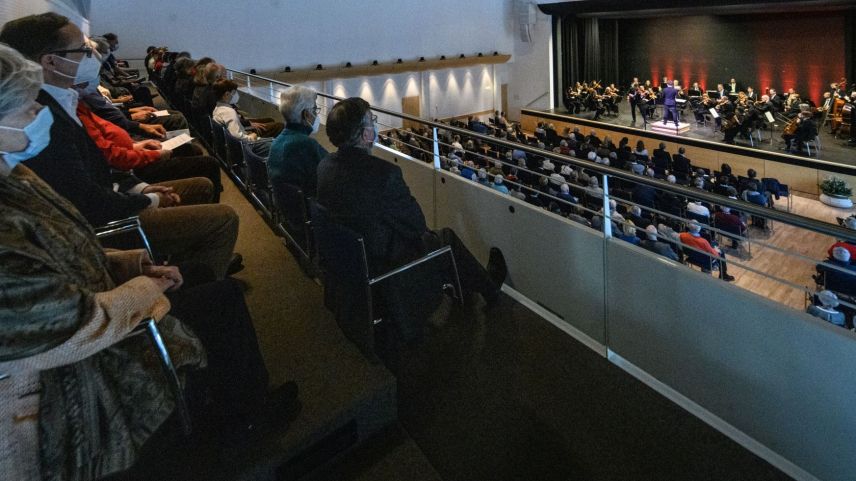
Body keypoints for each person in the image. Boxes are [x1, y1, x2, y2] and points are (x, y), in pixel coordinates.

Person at [0, 42, 299, 481]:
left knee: (200, 278)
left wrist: (128, 263)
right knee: (222, 297)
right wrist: (146, 287)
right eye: (26, 108)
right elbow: (66, 327)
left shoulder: (16, 178)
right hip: (77, 364)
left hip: (104, 277)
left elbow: (68, 241)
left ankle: (215, 388)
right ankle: (243, 416)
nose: (36, 114)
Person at [0, 12, 241, 279]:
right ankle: (191, 285)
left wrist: (142, 186)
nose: (91, 57)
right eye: (82, 50)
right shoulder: (43, 118)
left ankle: (192, 267)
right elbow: (88, 198)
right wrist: (148, 198)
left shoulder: (65, 100)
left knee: (201, 184)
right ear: (51, 61)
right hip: (109, 220)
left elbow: (98, 164)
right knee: (224, 218)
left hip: (119, 189)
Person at [316, 97, 508, 342]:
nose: (374, 126)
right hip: (386, 267)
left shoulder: (325, 167)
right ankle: (490, 291)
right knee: (443, 237)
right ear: (365, 135)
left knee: (433, 240)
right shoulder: (384, 175)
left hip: (350, 263)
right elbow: (417, 223)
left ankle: (472, 284)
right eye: (372, 121)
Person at [268, 85, 328, 198]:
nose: (316, 115)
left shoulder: (279, 139)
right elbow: (331, 174)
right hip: (309, 209)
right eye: (315, 110)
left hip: (288, 206)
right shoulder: (305, 145)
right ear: (306, 114)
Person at [211, 79, 274, 157]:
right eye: (234, 92)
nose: (236, 95)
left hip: (239, 146)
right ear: (226, 94)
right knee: (277, 146)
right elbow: (237, 136)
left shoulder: (217, 109)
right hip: (248, 146)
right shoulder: (229, 112)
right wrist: (251, 137)